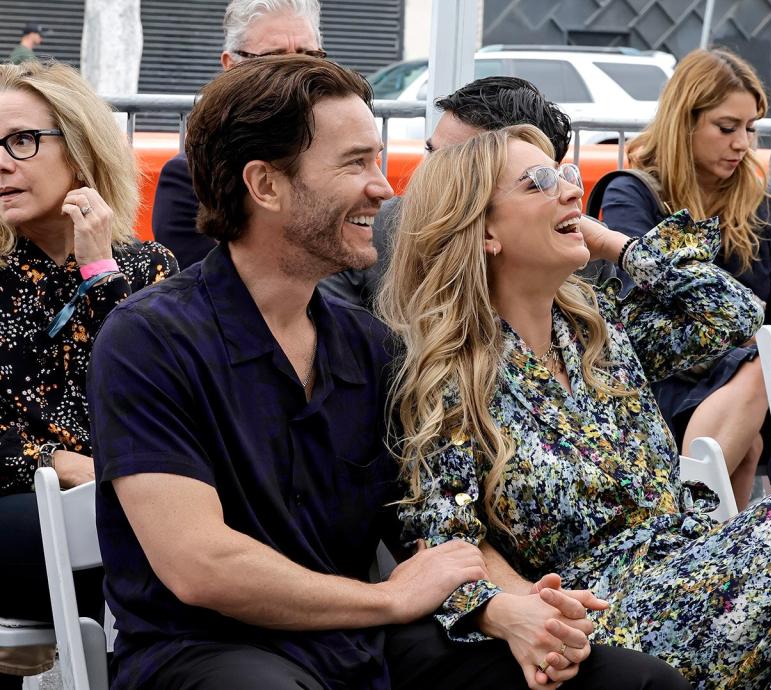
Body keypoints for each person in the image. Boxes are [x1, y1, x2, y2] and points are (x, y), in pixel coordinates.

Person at [87, 54, 677, 690]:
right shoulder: (148, 339)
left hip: (361, 649)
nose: (384, 188)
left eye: (377, 159)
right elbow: (201, 567)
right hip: (205, 652)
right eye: (355, 163)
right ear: (266, 185)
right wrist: (388, 602)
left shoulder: (368, 346)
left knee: (634, 682)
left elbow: (431, 530)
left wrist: (514, 612)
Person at [380, 123, 771, 687]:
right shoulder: (455, 374)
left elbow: (730, 313)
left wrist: (616, 245)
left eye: (569, 174)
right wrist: (519, 613)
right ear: (484, 233)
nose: (572, 190)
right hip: (606, 612)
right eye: (538, 182)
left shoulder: (602, 334)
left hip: (694, 567)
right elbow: (446, 542)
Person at [0, 61, 176, 687]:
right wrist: (58, 463)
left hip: (131, 497)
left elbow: (153, 398)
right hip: (19, 501)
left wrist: (98, 271)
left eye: (20, 141)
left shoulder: (147, 266)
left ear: (77, 150)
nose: (2, 163)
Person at [597, 49, 771, 507]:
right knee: (753, 402)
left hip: (752, 387)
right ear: (683, 122)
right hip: (659, 381)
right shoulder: (632, 192)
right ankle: (693, 536)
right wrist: (756, 345)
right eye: (727, 128)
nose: (743, 144)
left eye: (751, 128)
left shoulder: (769, 205)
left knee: (762, 404)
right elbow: (644, 308)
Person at [322, 74, 578, 309]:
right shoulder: (369, 233)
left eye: (455, 168)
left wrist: (616, 248)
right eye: (432, 153)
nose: (429, 175)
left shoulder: (580, 255)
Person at [151, 0, 325, 270]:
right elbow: (199, 288)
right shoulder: (189, 179)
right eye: (273, 58)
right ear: (230, 66)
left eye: (306, 55)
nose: (296, 72)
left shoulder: (340, 157)